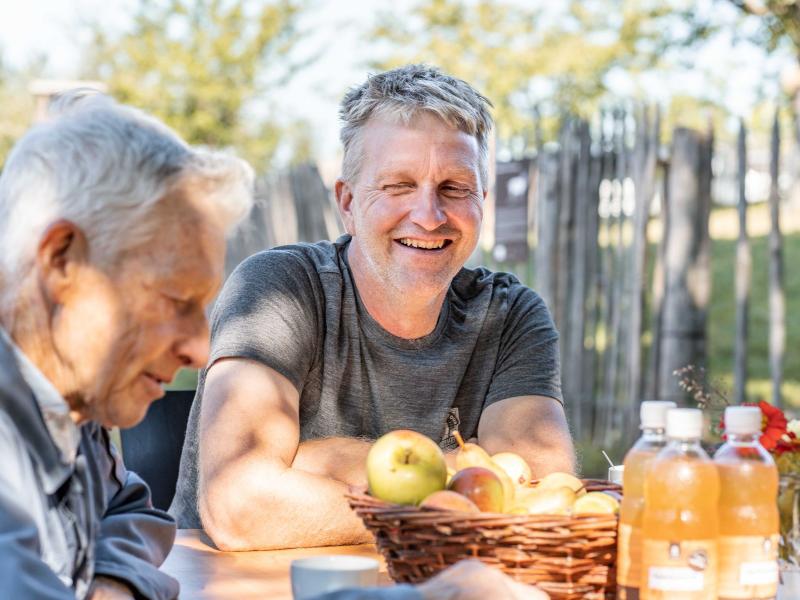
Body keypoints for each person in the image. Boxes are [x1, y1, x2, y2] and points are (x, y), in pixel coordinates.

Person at [171, 63, 575, 551]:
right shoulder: (280, 289)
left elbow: (537, 496)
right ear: (347, 202)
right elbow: (240, 507)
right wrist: (462, 481)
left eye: (454, 188)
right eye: (398, 186)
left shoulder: (510, 314)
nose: (428, 216)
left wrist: (317, 461)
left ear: (481, 202)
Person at [0, 91, 254, 599]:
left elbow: (132, 509)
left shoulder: (70, 410)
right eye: (175, 299)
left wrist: (114, 582)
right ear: (62, 260)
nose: (199, 352)